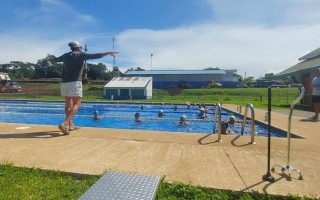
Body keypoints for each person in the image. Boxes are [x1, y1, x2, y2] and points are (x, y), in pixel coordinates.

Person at [51, 41, 118, 135]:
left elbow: (54, 60)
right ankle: (65, 123)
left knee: (68, 104)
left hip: (64, 82)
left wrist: (49, 58)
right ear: (78, 47)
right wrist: (107, 53)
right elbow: (95, 56)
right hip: (75, 82)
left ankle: (70, 125)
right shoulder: (80, 55)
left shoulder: (65, 55)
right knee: (77, 104)